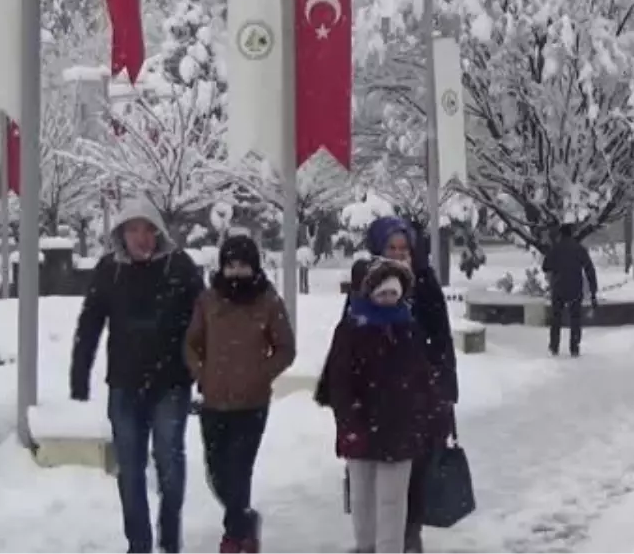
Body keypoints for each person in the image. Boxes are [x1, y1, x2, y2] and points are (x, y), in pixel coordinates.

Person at [69, 197, 204, 554]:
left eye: (147, 230)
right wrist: (79, 375)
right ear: (121, 235)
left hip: (171, 384)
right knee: (130, 469)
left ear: (158, 233)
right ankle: (139, 544)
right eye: (133, 230)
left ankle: (170, 538)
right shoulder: (108, 270)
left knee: (170, 462)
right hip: (125, 386)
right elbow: (90, 321)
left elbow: (205, 322)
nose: (141, 238)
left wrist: (207, 372)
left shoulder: (181, 267)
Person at [320, 215, 457, 553]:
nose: (399, 255)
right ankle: (371, 543)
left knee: (411, 480)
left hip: (414, 401)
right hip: (368, 405)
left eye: (404, 249)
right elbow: (344, 349)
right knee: (367, 486)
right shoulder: (364, 289)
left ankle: (406, 541)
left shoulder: (424, 286)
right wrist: (346, 404)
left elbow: (441, 343)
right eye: (391, 249)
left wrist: (442, 396)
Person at [185, 234, 296, 554]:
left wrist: (261, 374)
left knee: (239, 468)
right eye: (230, 265)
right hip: (214, 401)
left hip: (252, 403)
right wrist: (202, 372)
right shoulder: (208, 300)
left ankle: (234, 537)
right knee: (217, 472)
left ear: (254, 267)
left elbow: (286, 348)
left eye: (243, 266)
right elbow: (191, 343)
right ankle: (245, 522)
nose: (236, 273)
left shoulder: (268, 301)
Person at [541, 223, 599, 357]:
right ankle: (574, 347)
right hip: (575, 287)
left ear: (561, 234)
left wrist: (556, 267)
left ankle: (554, 346)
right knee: (575, 318)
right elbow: (590, 270)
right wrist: (593, 292)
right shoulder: (579, 249)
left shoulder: (555, 249)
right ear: (571, 234)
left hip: (559, 286)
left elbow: (545, 266)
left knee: (556, 318)